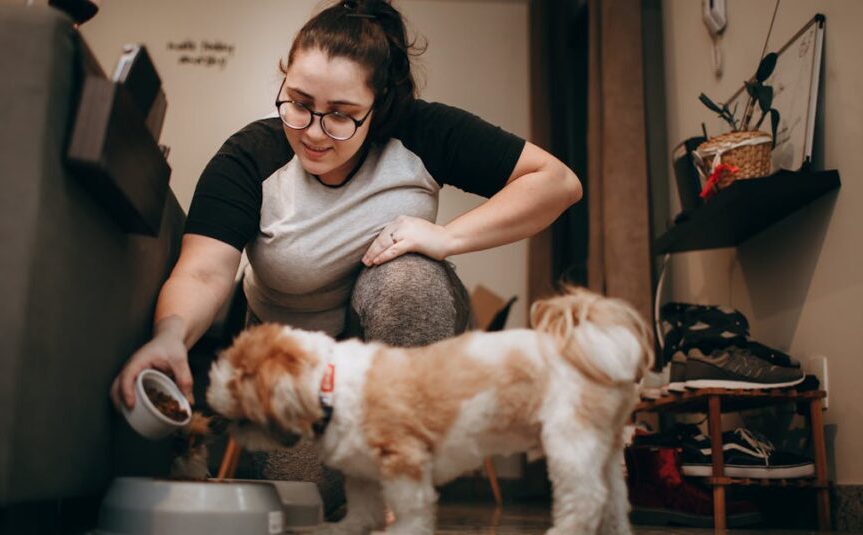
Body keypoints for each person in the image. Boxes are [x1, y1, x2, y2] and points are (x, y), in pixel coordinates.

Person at [110, 0, 581, 514]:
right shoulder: (248, 159)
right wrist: (169, 337)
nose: (313, 130)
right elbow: (203, 270)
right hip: (294, 370)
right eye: (298, 102)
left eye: (341, 115)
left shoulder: (422, 132)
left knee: (411, 278)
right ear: (284, 82)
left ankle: (400, 485)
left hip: (388, 363)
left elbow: (557, 183)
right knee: (301, 505)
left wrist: (446, 236)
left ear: (380, 108)